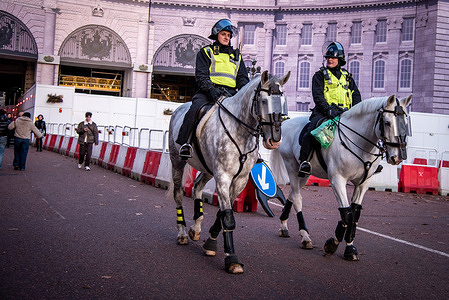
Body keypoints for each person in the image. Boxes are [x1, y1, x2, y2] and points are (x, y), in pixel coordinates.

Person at [176, 19, 249, 158]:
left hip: (231, 94)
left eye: (228, 35)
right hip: (208, 93)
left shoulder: (237, 56)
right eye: (223, 34)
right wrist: (211, 90)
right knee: (194, 110)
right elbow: (201, 76)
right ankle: (185, 143)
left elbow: (242, 79)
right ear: (216, 35)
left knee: (247, 115)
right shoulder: (206, 52)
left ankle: (251, 151)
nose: (226, 37)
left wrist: (244, 94)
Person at [298, 41, 362, 177]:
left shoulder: (348, 77)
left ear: (340, 59)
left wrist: (355, 111)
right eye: (328, 57)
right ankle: (304, 162)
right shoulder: (319, 75)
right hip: (325, 113)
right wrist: (328, 110)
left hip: (346, 114)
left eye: (332, 57)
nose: (329, 59)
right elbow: (318, 96)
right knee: (311, 132)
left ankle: (367, 162)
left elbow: (356, 95)